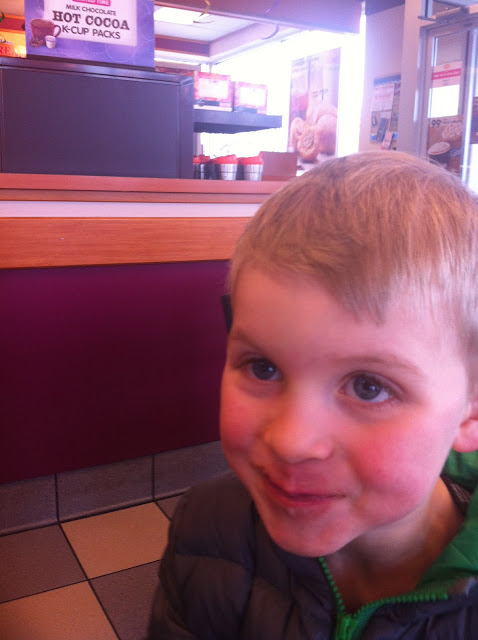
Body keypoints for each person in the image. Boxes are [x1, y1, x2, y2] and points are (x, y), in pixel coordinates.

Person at [147, 151, 478, 639]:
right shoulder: (207, 529)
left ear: (470, 413)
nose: (290, 442)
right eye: (263, 368)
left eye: (368, 387)